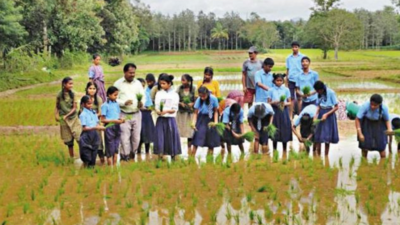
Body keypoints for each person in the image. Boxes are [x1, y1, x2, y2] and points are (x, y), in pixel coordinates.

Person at [113, 63, 145, 161]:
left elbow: (143, 96)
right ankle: (124, 156)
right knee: (124, 137)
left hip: (136, 113)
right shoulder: (118, 84)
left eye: (133, 73)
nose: (132, 75)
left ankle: (132, 154)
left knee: (136, 138)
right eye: (130, 73)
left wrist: (141, 103)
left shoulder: (138, 83)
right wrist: (123, 103)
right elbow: (113, 98)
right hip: (124, 114)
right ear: (125, 72)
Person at [154, 74, 181, 160]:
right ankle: (160, 156)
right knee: (160, 137)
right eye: (161, 83)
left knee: (171, 137)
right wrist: (158, 111)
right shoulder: (158, 94)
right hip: (161, 119)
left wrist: (166, 111)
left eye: (164, 83)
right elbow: (157, 106)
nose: (162, 85)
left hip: (170, 119)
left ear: (169, 84)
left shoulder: (175, 95)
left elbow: (174, 109)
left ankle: (173, 155)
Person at [356, 94, 392, 158]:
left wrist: (389, 129)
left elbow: (387, 120)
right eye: (371, 104)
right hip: (366, 124)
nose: (372, 107)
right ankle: (364, 161)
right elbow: (357, 119)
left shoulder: (384, 108)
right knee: (364, 145)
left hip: (379, 125)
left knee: (381, 145)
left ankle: (382, 163)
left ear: (379, 104)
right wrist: (360, 133)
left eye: (375, 105)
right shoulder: (365, 106)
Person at [55, 77, 82, 158]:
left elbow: (74, 107)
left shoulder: (73, 94)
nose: (71, 85)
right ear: (64, 84)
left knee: (79, 137)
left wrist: (67, 115)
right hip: (64, 119)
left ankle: (83, 156)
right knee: (69, 141)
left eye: (72, 84)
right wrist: (56, 115)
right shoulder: (59, 94)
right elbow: (57, 106)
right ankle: (71, 158)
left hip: (73, 118)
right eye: (70, 84)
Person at [313, 81, 339, 156]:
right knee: (319, 136)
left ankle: (326, 156)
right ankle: (318, 155)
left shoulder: (331, 93)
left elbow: (336, 107)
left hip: (329, 114)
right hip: (321, 112)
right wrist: (316, 115)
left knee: (327, 137)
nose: (318, 92)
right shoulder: (318, 94)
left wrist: (327, 114)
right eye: (317, 91)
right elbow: (318, 105)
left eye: (319, 91)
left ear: (322, 89)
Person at [192, 86, 220, 155]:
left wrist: (216, 122)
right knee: (197, 138)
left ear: (207, 93)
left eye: (204, 96)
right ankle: (191, 158)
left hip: (211, 118)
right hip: (201, 118)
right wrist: (193, 123)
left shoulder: (213, 98)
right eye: (201, 96)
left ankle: (209, 159)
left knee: (211, 140)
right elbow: (195, 113)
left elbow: (216, 111)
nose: (202, 98)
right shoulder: (199, 99)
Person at [267, 74, 292, 152]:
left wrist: (284, 104)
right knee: (275, 129)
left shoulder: (286, 90)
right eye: (277, 80)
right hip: (274, 111)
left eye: (280, 80)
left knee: (284, 129)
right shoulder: (271, 90)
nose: (279, 82)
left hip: (284, 111)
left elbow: (290, 102)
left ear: (283, 81)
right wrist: (273, 102)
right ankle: (274, 149)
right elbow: (268, 103)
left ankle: (285, 150)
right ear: (274, 81)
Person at [101, 86, 125, 165]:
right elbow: (103, 120)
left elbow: (118, 115)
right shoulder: (105, 105)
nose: (116, 96)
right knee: (109, 146)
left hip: (117, 126)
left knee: (116, 146)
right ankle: (109, 166)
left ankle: (114, 166)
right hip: (109, 127)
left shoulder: (116, 104)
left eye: (117, 95)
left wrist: (121, 119)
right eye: (115, 95)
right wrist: (114, 121)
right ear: (109, 95)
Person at [79, 96, 105, 168]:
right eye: (88, 104)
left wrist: (101, 127)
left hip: (95, 135)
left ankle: (91, 169)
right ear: (83, 104)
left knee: (94, 151)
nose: (90, 105)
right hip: (86, 136)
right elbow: (84, 128)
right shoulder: (83, 114)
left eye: (91, 103)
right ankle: (86, 168)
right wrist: (95, 127)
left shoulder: (93, 112)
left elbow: (97, 123)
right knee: (87, 154)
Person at [84, 82, 105, 164]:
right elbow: (82, 111)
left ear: (96, 90)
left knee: (98, 142)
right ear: (87, 89)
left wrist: (92, 116)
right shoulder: (84, 99)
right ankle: (88, 161)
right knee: (88, 142)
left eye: (94, 89)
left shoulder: (98, 99)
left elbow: (100, 112)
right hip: (87, 124)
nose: (92, 90)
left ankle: (102, 159)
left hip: (96, 123)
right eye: (90, 88)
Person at [176, 74, 196, 153]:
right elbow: (175, 98)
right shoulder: (179, 89)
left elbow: (197, 99)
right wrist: (180, 103)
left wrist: (193, 103)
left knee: (190, 132)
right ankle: (178, 147)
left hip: (190, 113)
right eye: (181, 80)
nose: (182, 82)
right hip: (181, 113)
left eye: (184, 80)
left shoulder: (193, 89)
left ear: (188, 81)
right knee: (179, 130)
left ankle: (189, 147)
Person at [138, 74, 156, 155]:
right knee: (140, 133)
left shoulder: (150, 90)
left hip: (148, 113)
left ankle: (147, 152)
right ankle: (138, 151)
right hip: (141, 113)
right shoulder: (143, 92)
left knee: (147, 133)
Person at [286, 41, 305, 117]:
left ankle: (300, 115)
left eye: (296, 47)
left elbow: (305, 68)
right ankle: (291, 115)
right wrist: (286, 80)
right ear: (291, 48)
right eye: (293, 47)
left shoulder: (302, 57)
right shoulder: (288, 58)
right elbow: (287, 69)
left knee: (300, 98)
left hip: (300, 79)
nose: (294, 48)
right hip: (291, 79)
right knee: (291, 98)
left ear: (298, 48)